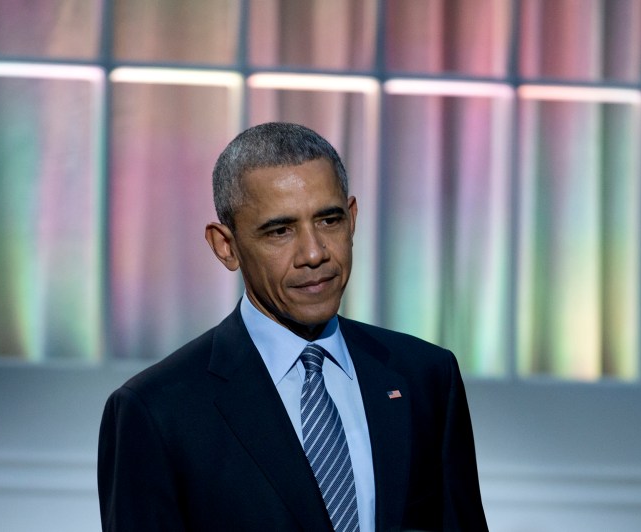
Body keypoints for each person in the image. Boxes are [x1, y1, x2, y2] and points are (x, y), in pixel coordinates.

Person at [98, 122, 488, 531]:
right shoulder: (157, 411)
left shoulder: (425, 376)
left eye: (328, 221)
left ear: (352, 219)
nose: (314, 253)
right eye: (280, 231)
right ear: (225, 246)